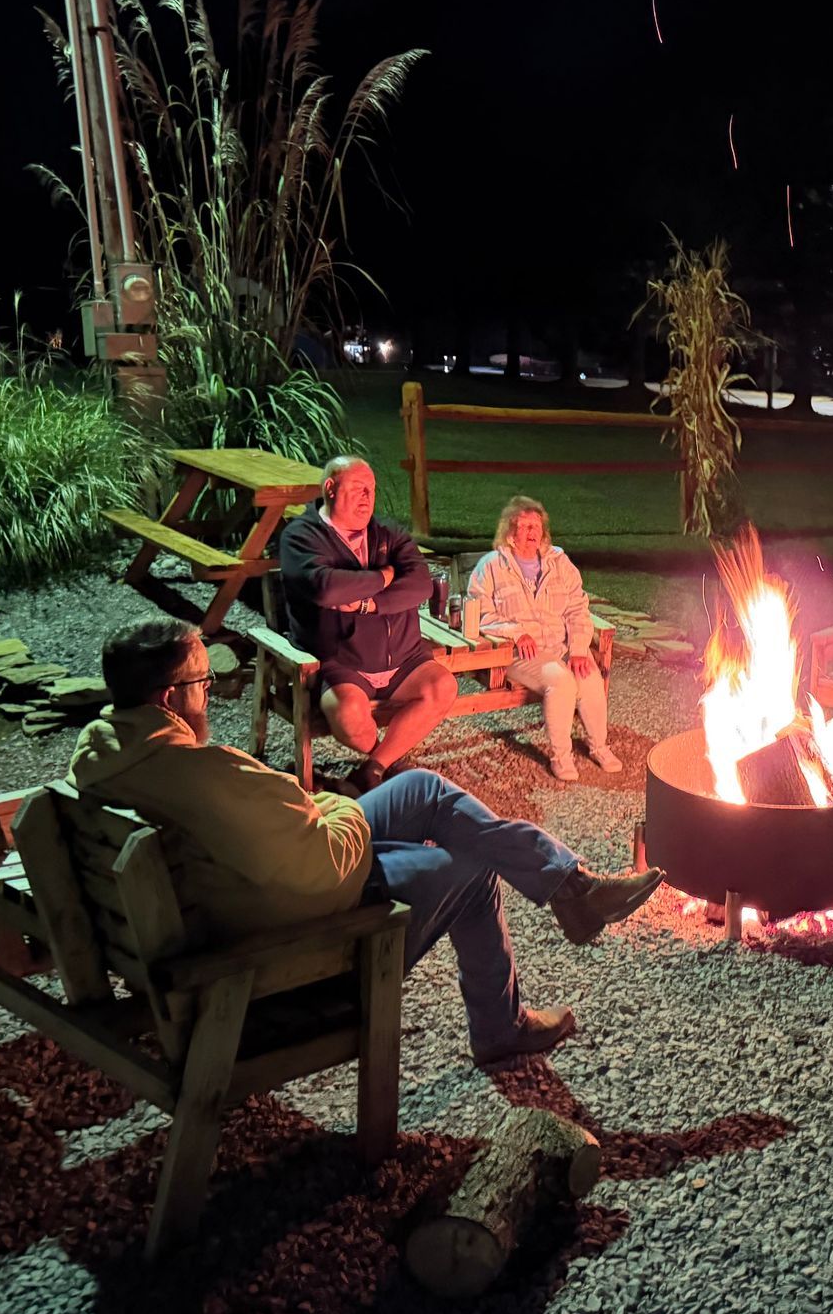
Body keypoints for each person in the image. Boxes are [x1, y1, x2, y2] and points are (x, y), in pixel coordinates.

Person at [68, 617, 666, 1068]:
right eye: (202, 681)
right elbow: (319, 865)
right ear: (169, 698)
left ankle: (571, 886)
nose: (209, 694)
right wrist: (335, 809)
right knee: (471, 866)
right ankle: (503, 1025)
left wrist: (323, 809)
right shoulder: (198, 775)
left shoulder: (107, 752)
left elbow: (283, 830)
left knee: (423, 787)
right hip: (295, 924)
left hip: (263, 874)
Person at [280, 456, 458, 793]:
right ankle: (387, 762)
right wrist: (384, 575)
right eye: (358, 488)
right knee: (348, 715)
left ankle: (372, 770)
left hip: (404, 657)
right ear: (330, 488)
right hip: (344, 660)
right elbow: (326, 587)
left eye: (371, 490)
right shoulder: (301, 537)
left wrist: (369, 603)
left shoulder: (389, 534)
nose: (367, 497)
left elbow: (420, 584)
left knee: (444, 688)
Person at [467, 495, 619, 781]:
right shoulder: (491, 566)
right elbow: (480, 615)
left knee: (588, 676)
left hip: (562, 646)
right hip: (521, 652)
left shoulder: (558, 562)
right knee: (560, 681)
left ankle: (599, 745)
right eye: (523, 526)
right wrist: (515, 632)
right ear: (509, 532)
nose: (531, 533)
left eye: (535, 526)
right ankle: (561, 756)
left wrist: (577, 649)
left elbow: (578, 607)